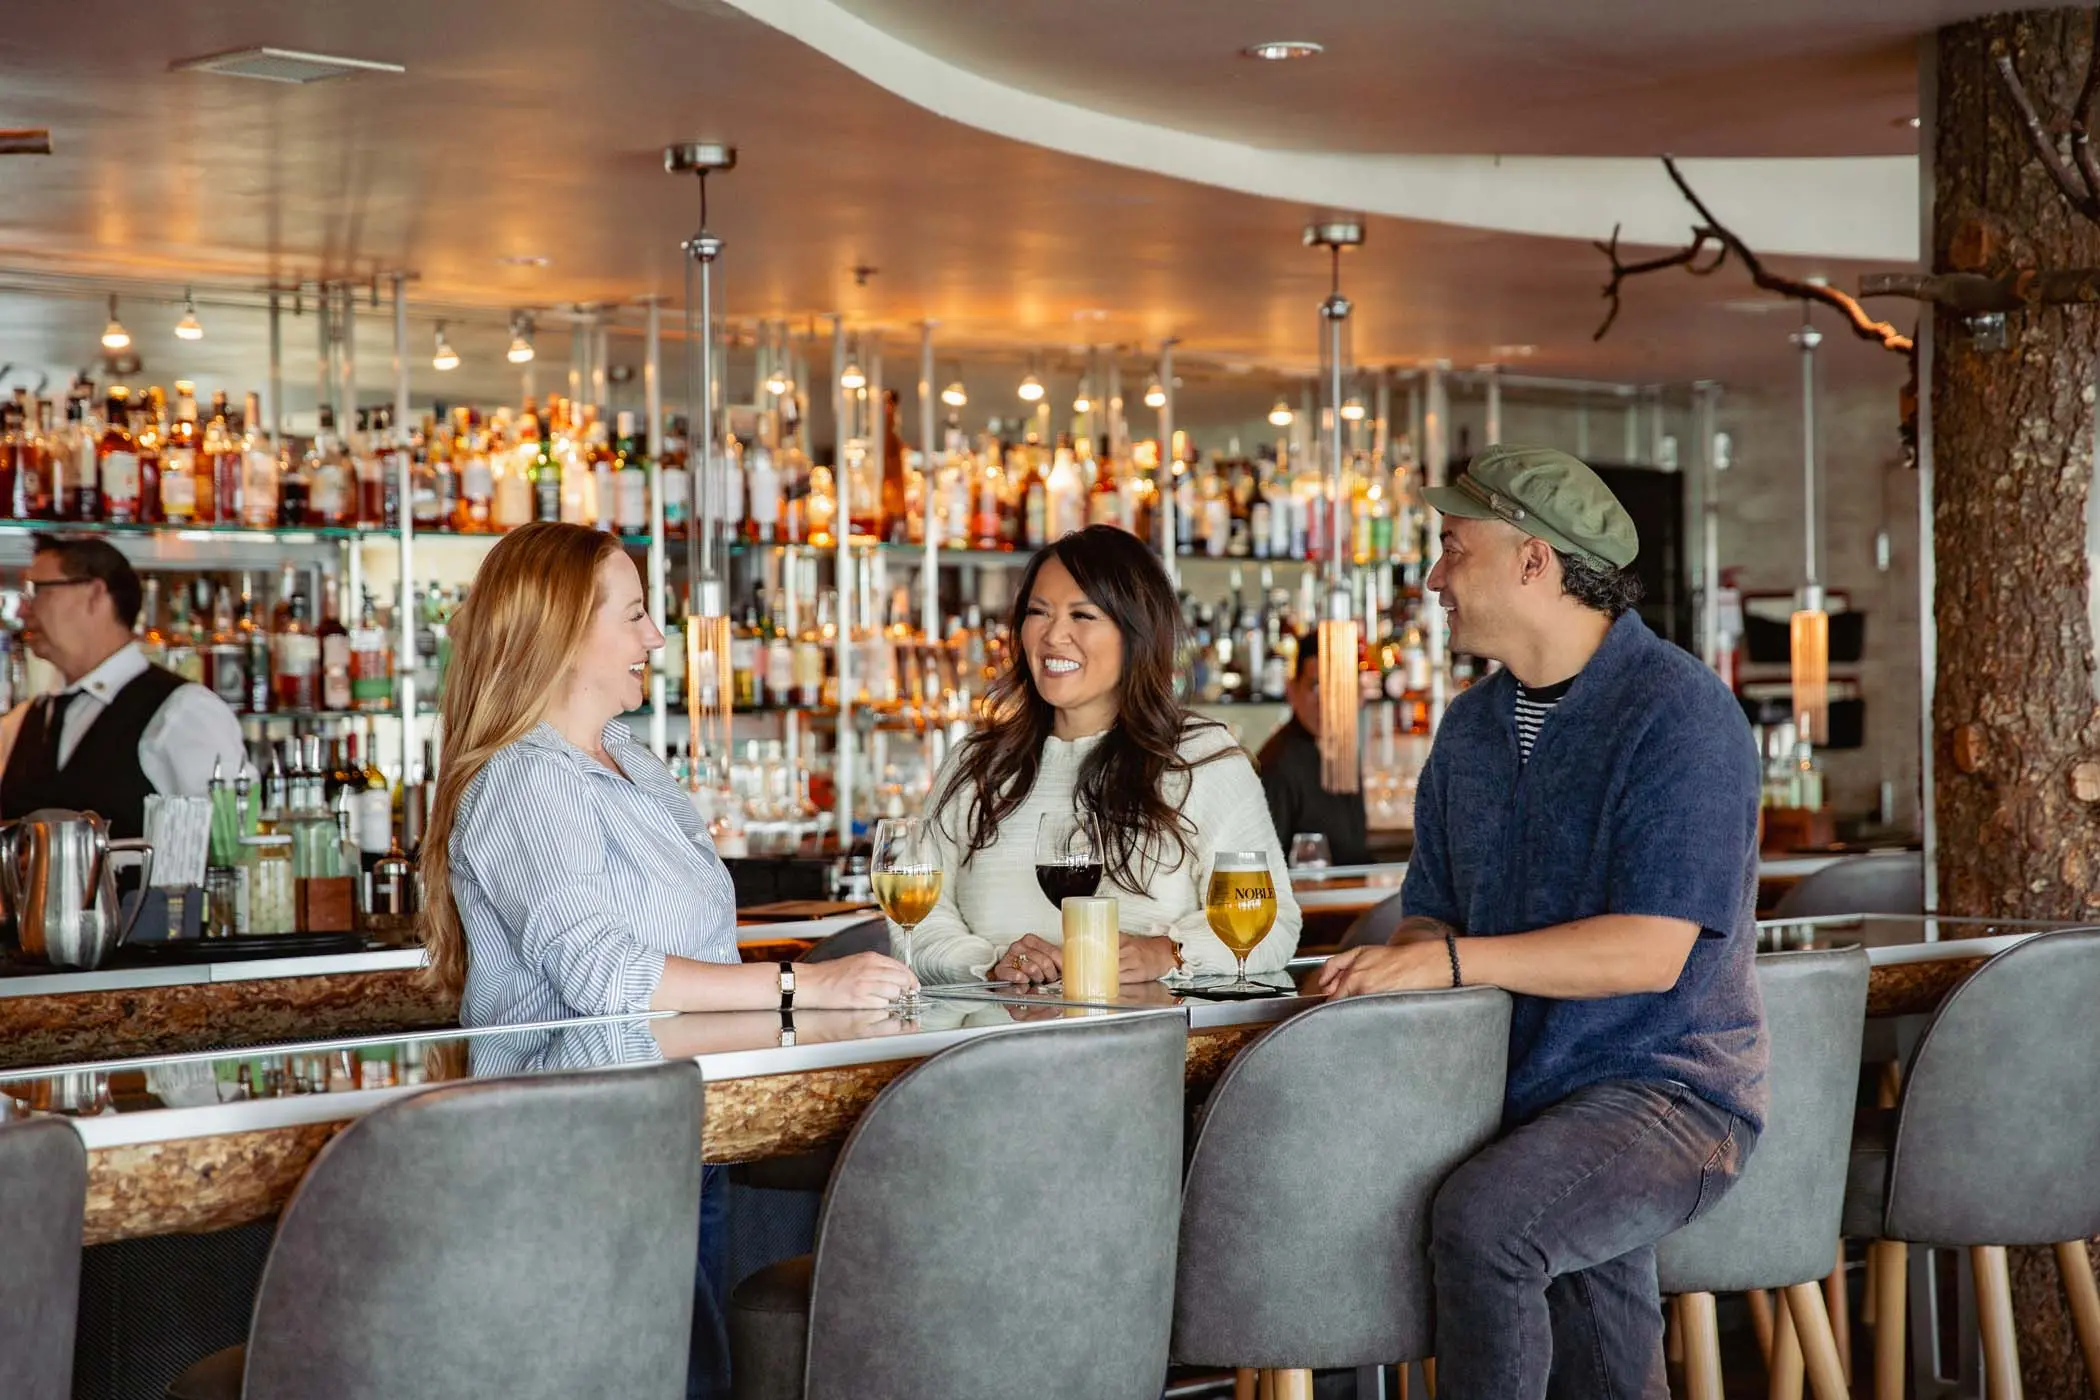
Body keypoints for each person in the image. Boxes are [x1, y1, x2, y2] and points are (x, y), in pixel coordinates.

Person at [419, 522, 917, 1400]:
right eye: (638, 614)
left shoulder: (637, 766)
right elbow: (605, 975)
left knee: (693, 1378)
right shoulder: (525, 779)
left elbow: (697, 950)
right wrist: (805, 986)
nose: (657, 637)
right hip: (580, 1153)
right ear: (565, 630)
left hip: (679, 1129)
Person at [1311, 446, 1766, 1398]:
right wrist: (1400, 963)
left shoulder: (1681, 714)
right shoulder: (1472, 728)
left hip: (1670, 1095)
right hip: (1519, 1094)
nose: (1433, 576)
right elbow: (1429, 912)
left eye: (1449, 547)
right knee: (1593, 1342)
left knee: (1493, 1224)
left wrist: (1445, 966)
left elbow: (1650, 950)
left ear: (1533, 561)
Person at [909, 524, 1300, 986]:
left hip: (1142, 1043)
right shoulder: (977, 764)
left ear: (1136, 633)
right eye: (1039, 612)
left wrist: (1168, 954)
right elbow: (917, 917)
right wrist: (989, 965)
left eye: (1082, 615)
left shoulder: (1199, 759)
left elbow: (1271, 924)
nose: (1054, 636)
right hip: (985, 1040)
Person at [0, 533, 244, 838]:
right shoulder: (24, 721)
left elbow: (228, 848)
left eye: (37, 591)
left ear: (95, 594)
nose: (22, 610)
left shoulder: (182, 712)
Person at [1255, 628, 1371, 865]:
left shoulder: (1341, 750)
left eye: (1339, 686)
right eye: (1316, 687)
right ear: (1292, 690)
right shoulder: (1279, 764)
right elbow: (1265, 867)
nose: (1328, 701)